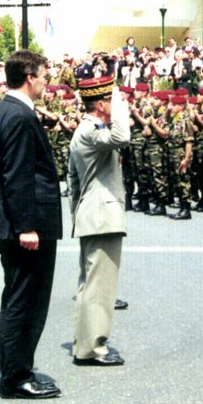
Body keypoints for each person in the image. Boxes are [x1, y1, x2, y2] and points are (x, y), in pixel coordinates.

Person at [0, 50, 63, 398]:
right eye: (44, 76)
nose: (47, 82)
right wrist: (26, 227)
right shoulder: (18, 116)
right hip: (26, 228)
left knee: (19, 299)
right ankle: (16, 377)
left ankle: (18, 369)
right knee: (26, 302)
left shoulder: (8, 111)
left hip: (17, 224)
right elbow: (17, 177)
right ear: (29, 77)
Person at [67, 76, 131, 367]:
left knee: (89, 284)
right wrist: (119, 107)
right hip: (103, 215)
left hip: (92, 214)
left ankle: (85, 343)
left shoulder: (84, 130)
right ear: (102, 104)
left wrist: (79, 214)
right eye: (112, 102)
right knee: (99, 287)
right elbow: (122, 137)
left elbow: (73, 180)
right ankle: (92, 349)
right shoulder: (91, 129)